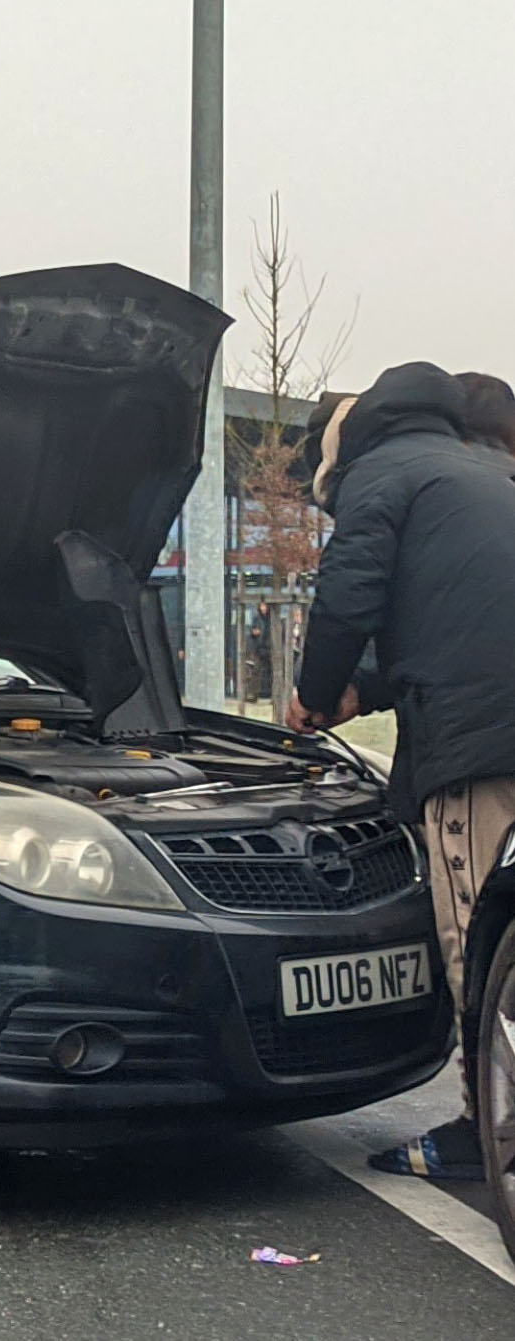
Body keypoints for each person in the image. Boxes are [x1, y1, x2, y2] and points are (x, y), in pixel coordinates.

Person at [287, 362, 515, 1181]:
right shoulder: (487, 472)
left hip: (481, 744)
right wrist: (365, 690)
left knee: (480, 933)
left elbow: (349, 598)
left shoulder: (379, 478)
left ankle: (479, 1129)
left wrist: (313, 697)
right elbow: (457, 612)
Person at [246, 601, 272, 702]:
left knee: (274, 673)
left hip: (270, 648)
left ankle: (274, 696)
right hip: (259, 648)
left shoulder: (272, 618)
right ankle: (253, 695)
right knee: (256, 671)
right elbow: (251, 631)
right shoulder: (257, 618)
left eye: (265, 606)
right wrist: (254, 633)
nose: (263, 608)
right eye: (261, 606)